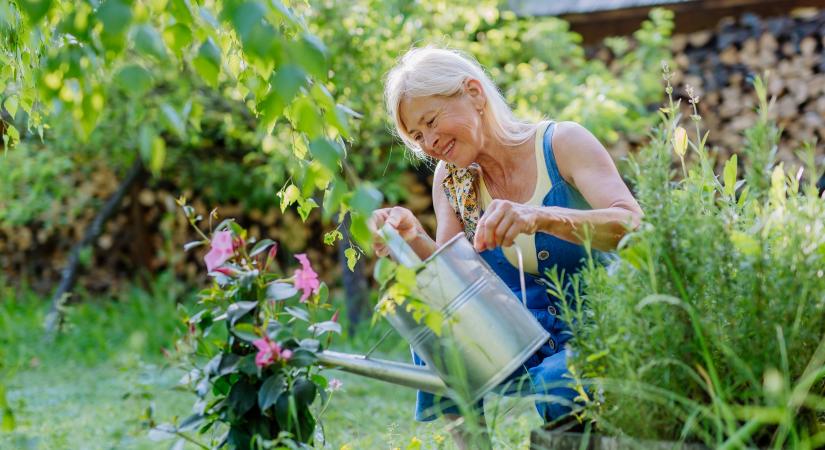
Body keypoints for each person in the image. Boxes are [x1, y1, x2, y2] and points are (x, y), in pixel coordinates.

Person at [369, 46, 643, 449]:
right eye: (417, 136)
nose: (428, 142)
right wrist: (411, 239)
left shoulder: (561, 143)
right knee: (433, 318)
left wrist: (542, 216)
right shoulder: (452, 179)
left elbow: (634, 225)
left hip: (597, 327)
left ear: (475, 93)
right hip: (519, 336)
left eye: (430, 121)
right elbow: (455, 282)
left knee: (557, 380)